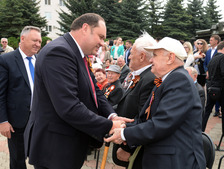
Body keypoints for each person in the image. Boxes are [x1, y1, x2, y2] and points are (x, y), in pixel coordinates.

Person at [23, 13, 132, 169]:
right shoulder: (59, 52)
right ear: (85, 28)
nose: (102, 43)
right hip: (55, 148)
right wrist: (110, 125)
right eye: (100, 37)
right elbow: (68, 107)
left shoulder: (76, 52)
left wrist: (112, 115)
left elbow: (94, 91)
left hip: (67, 144)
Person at [105, 37, 206, 169]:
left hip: (176, 162)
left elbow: (162, 123)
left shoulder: (179, 80)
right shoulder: (167, 79)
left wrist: (124, 134)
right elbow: (146, 117)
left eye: (155, 55)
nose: (151, 59)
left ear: (170, 57)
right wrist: (124, 126)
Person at [0, 26, 42, 169]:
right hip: (16, 121)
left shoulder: (40, 60)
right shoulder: (6, 60)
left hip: (39, 119)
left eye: (40, 41)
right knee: (18, 159)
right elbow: (1, 94)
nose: (38, 44)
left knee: (39, 155)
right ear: (22, 39)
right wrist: (3, 121)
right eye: (34, 40)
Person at [112, 32, 156, 169]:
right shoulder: (140, 75)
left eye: (131, 53)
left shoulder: (149, 79)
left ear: (142, 56)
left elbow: (145, 118)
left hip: (136, 147)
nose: (128, 56)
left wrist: (128, 148)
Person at [202, 41, 224, 136]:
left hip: (211, 87)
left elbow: (210, 72)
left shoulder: (213, 58)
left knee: (208, 110)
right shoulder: (223, 57)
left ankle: (200, 130)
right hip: (220, 88)